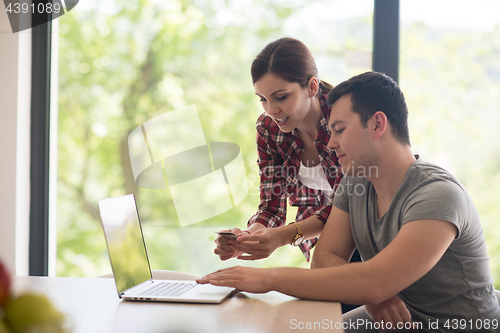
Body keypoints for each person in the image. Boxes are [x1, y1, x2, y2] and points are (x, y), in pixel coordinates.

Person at [200, 71, 500, 332]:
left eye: (340, 130)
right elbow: (323, 261)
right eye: (330, 131)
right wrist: (373, 294)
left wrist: (266, 279)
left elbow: (376, 281)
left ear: (378, 125)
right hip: (395, 323)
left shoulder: (437, 195)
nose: (330, 144)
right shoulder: (356, 183)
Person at [214, 37, 349, 263]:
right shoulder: (269, 130)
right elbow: (271, 207)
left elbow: (350, 204)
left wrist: (283, 236)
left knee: (324, 271)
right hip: (326, 224)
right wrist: (247, 238)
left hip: (371, 220)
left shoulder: (343, 118)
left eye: (281, 97)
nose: (272, 110)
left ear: (312, 87)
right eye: (263, 100)